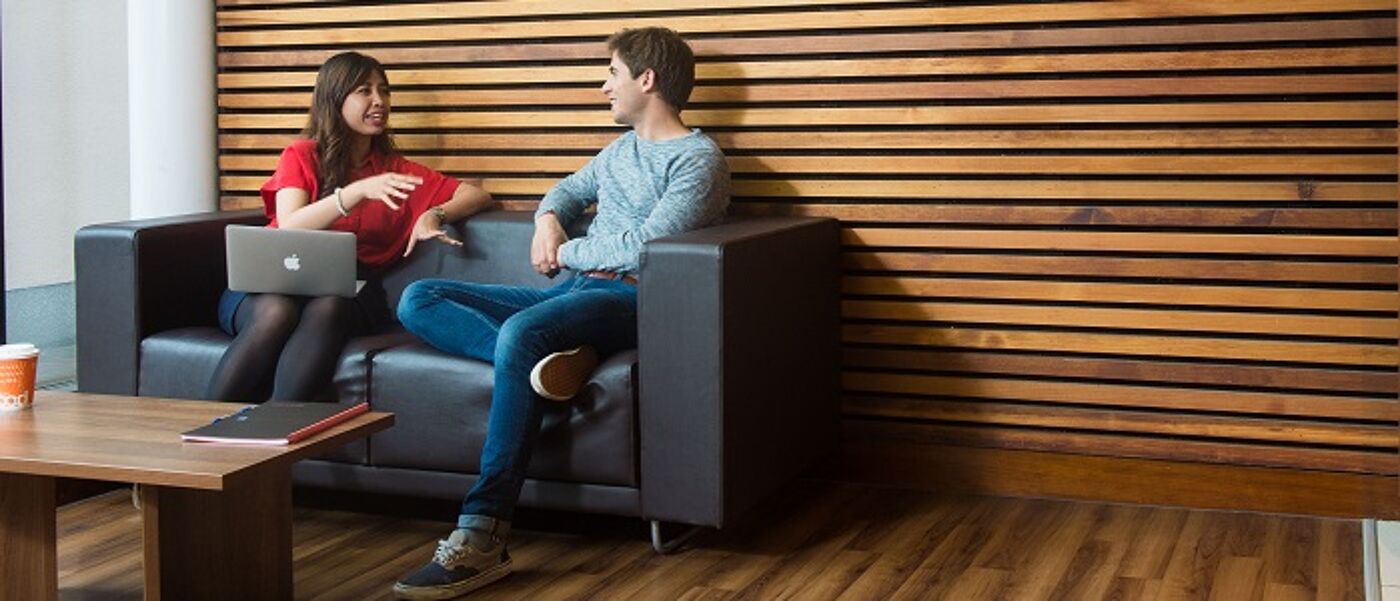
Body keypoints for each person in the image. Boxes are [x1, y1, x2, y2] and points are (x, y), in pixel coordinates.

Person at [392, 27, 730, 599]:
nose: (604, 89)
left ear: (647, 81)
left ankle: (481, 537)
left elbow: (647, 245)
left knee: (523, 331)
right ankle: (543, 367)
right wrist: (548, 220)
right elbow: (565, 193)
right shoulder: (618, 151)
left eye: (612, 75)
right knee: (419, 297)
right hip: (573, 293)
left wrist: (564, 249)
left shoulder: (699, 159)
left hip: (630, 298)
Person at [207, 51, 492, 403]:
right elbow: (291, 225)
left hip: (348, 291)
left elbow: (475, 194)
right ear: (334, 98)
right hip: (269, 283)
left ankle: (277, 428)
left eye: (384, 91)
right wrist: (353, 194)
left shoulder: (395, 172)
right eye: (364, 91)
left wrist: (435, 214)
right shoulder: (301, 155)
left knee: (329, 304)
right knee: (276, 313)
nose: (379, 101)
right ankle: (200, 431)